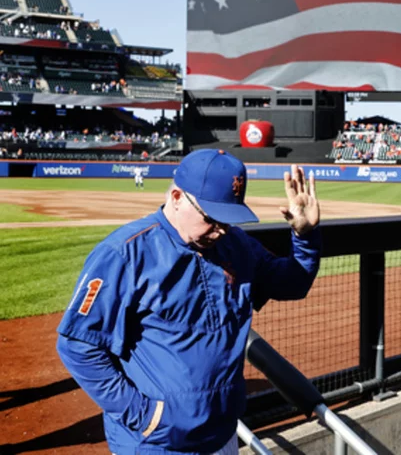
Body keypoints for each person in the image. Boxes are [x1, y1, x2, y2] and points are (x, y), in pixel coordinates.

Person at [56, 149, 322, 455]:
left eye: (228, 219)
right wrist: (144, 416)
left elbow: (293, 284)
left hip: (222, 435)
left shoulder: (236, 245)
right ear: (178, 197)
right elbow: (77, 345)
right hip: (154, 445)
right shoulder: (125, 253)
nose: (221, 229)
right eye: (211, 218)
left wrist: (305, 236)